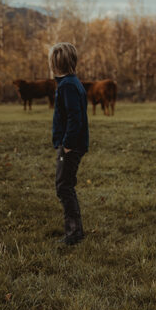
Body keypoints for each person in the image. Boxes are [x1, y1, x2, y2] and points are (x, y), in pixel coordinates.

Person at [49, 41, 89, 246]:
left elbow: (75, 117)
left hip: (71, 146)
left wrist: (67, 145)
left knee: (64, 186)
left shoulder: (68, 86)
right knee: (65, 185)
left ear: (55, 63)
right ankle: (76, 231)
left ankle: (74, 233)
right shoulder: (70, 83)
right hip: (69, 143)